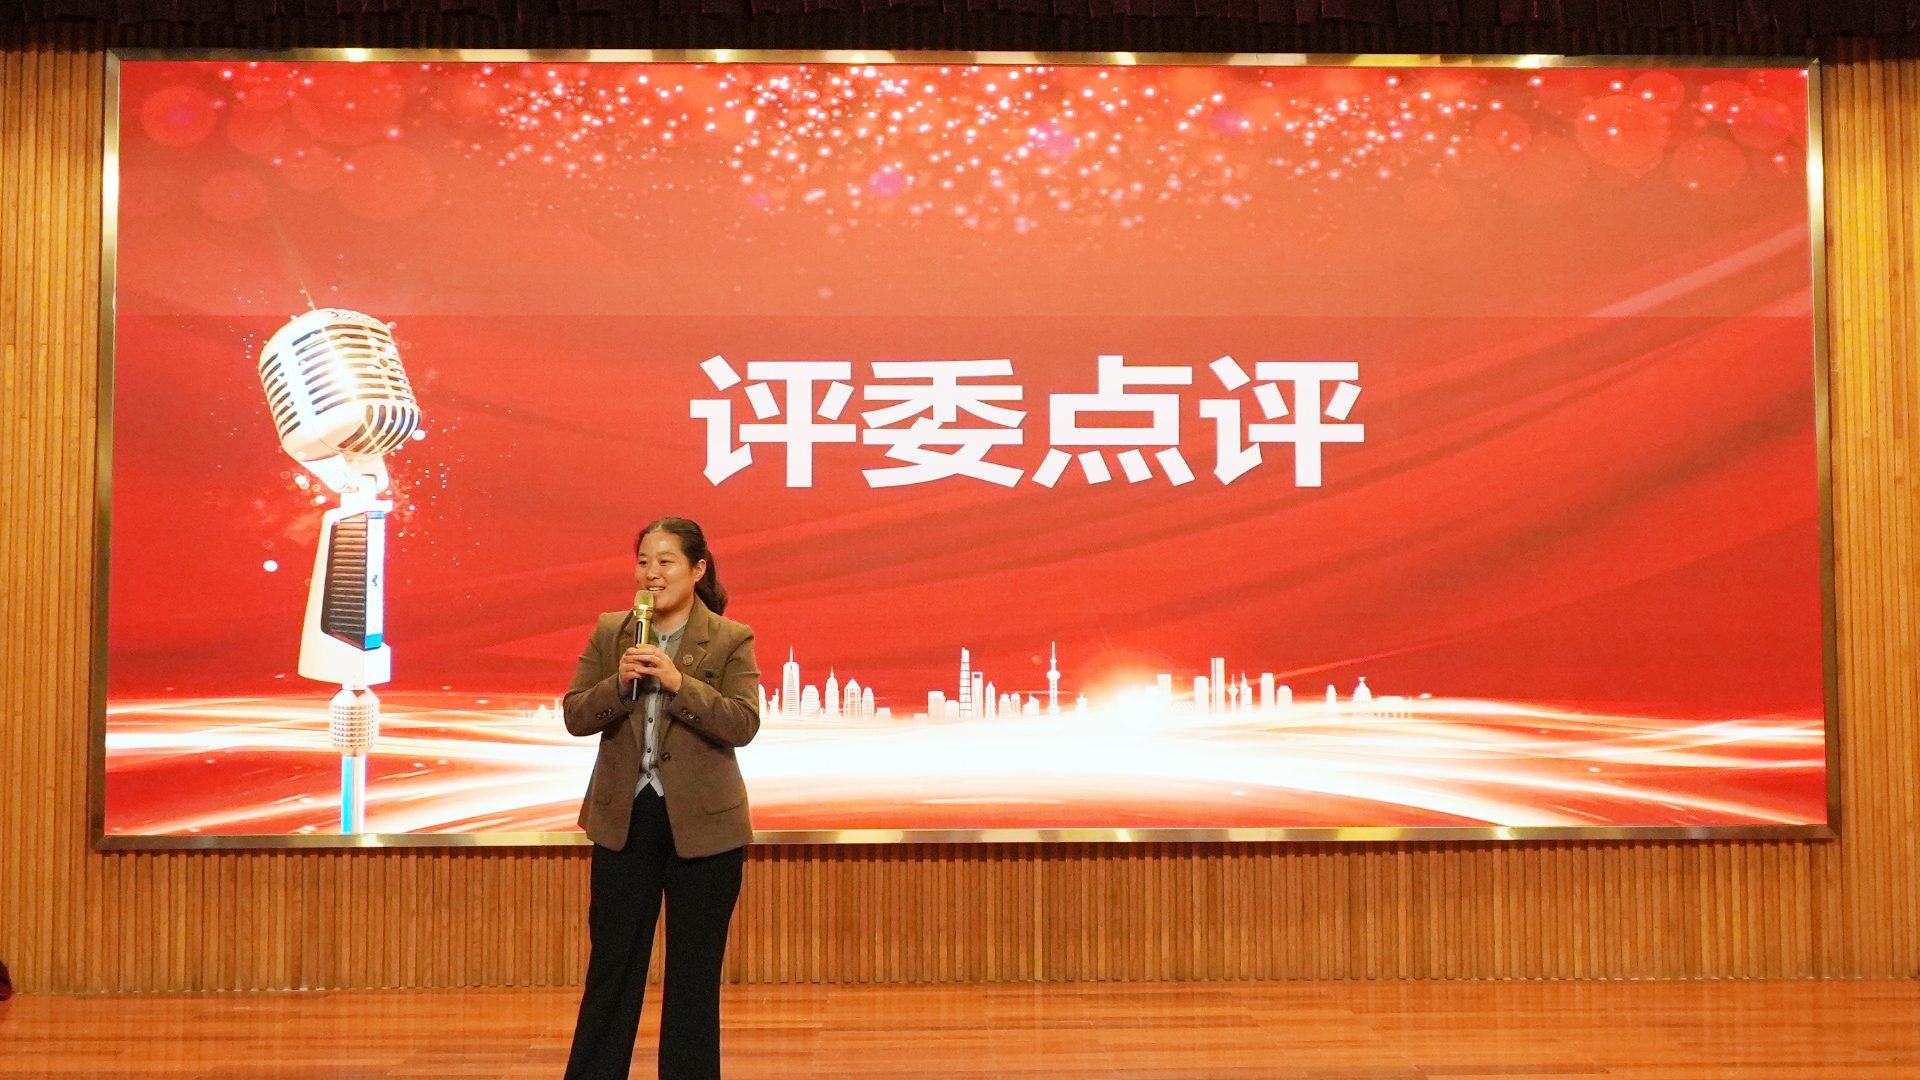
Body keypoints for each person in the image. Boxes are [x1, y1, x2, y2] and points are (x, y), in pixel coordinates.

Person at [561, 517, 761, 1080]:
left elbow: (743, 723)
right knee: (612, 966)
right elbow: (576, 714)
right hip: (626, 818)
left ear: (697, 570)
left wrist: (679, 683)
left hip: (705, 825)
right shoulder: (613, 631)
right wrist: (616, 685)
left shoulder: (730, 637)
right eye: (644, 561)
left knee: (694, 975)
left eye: (666, 561)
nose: (652, 573)